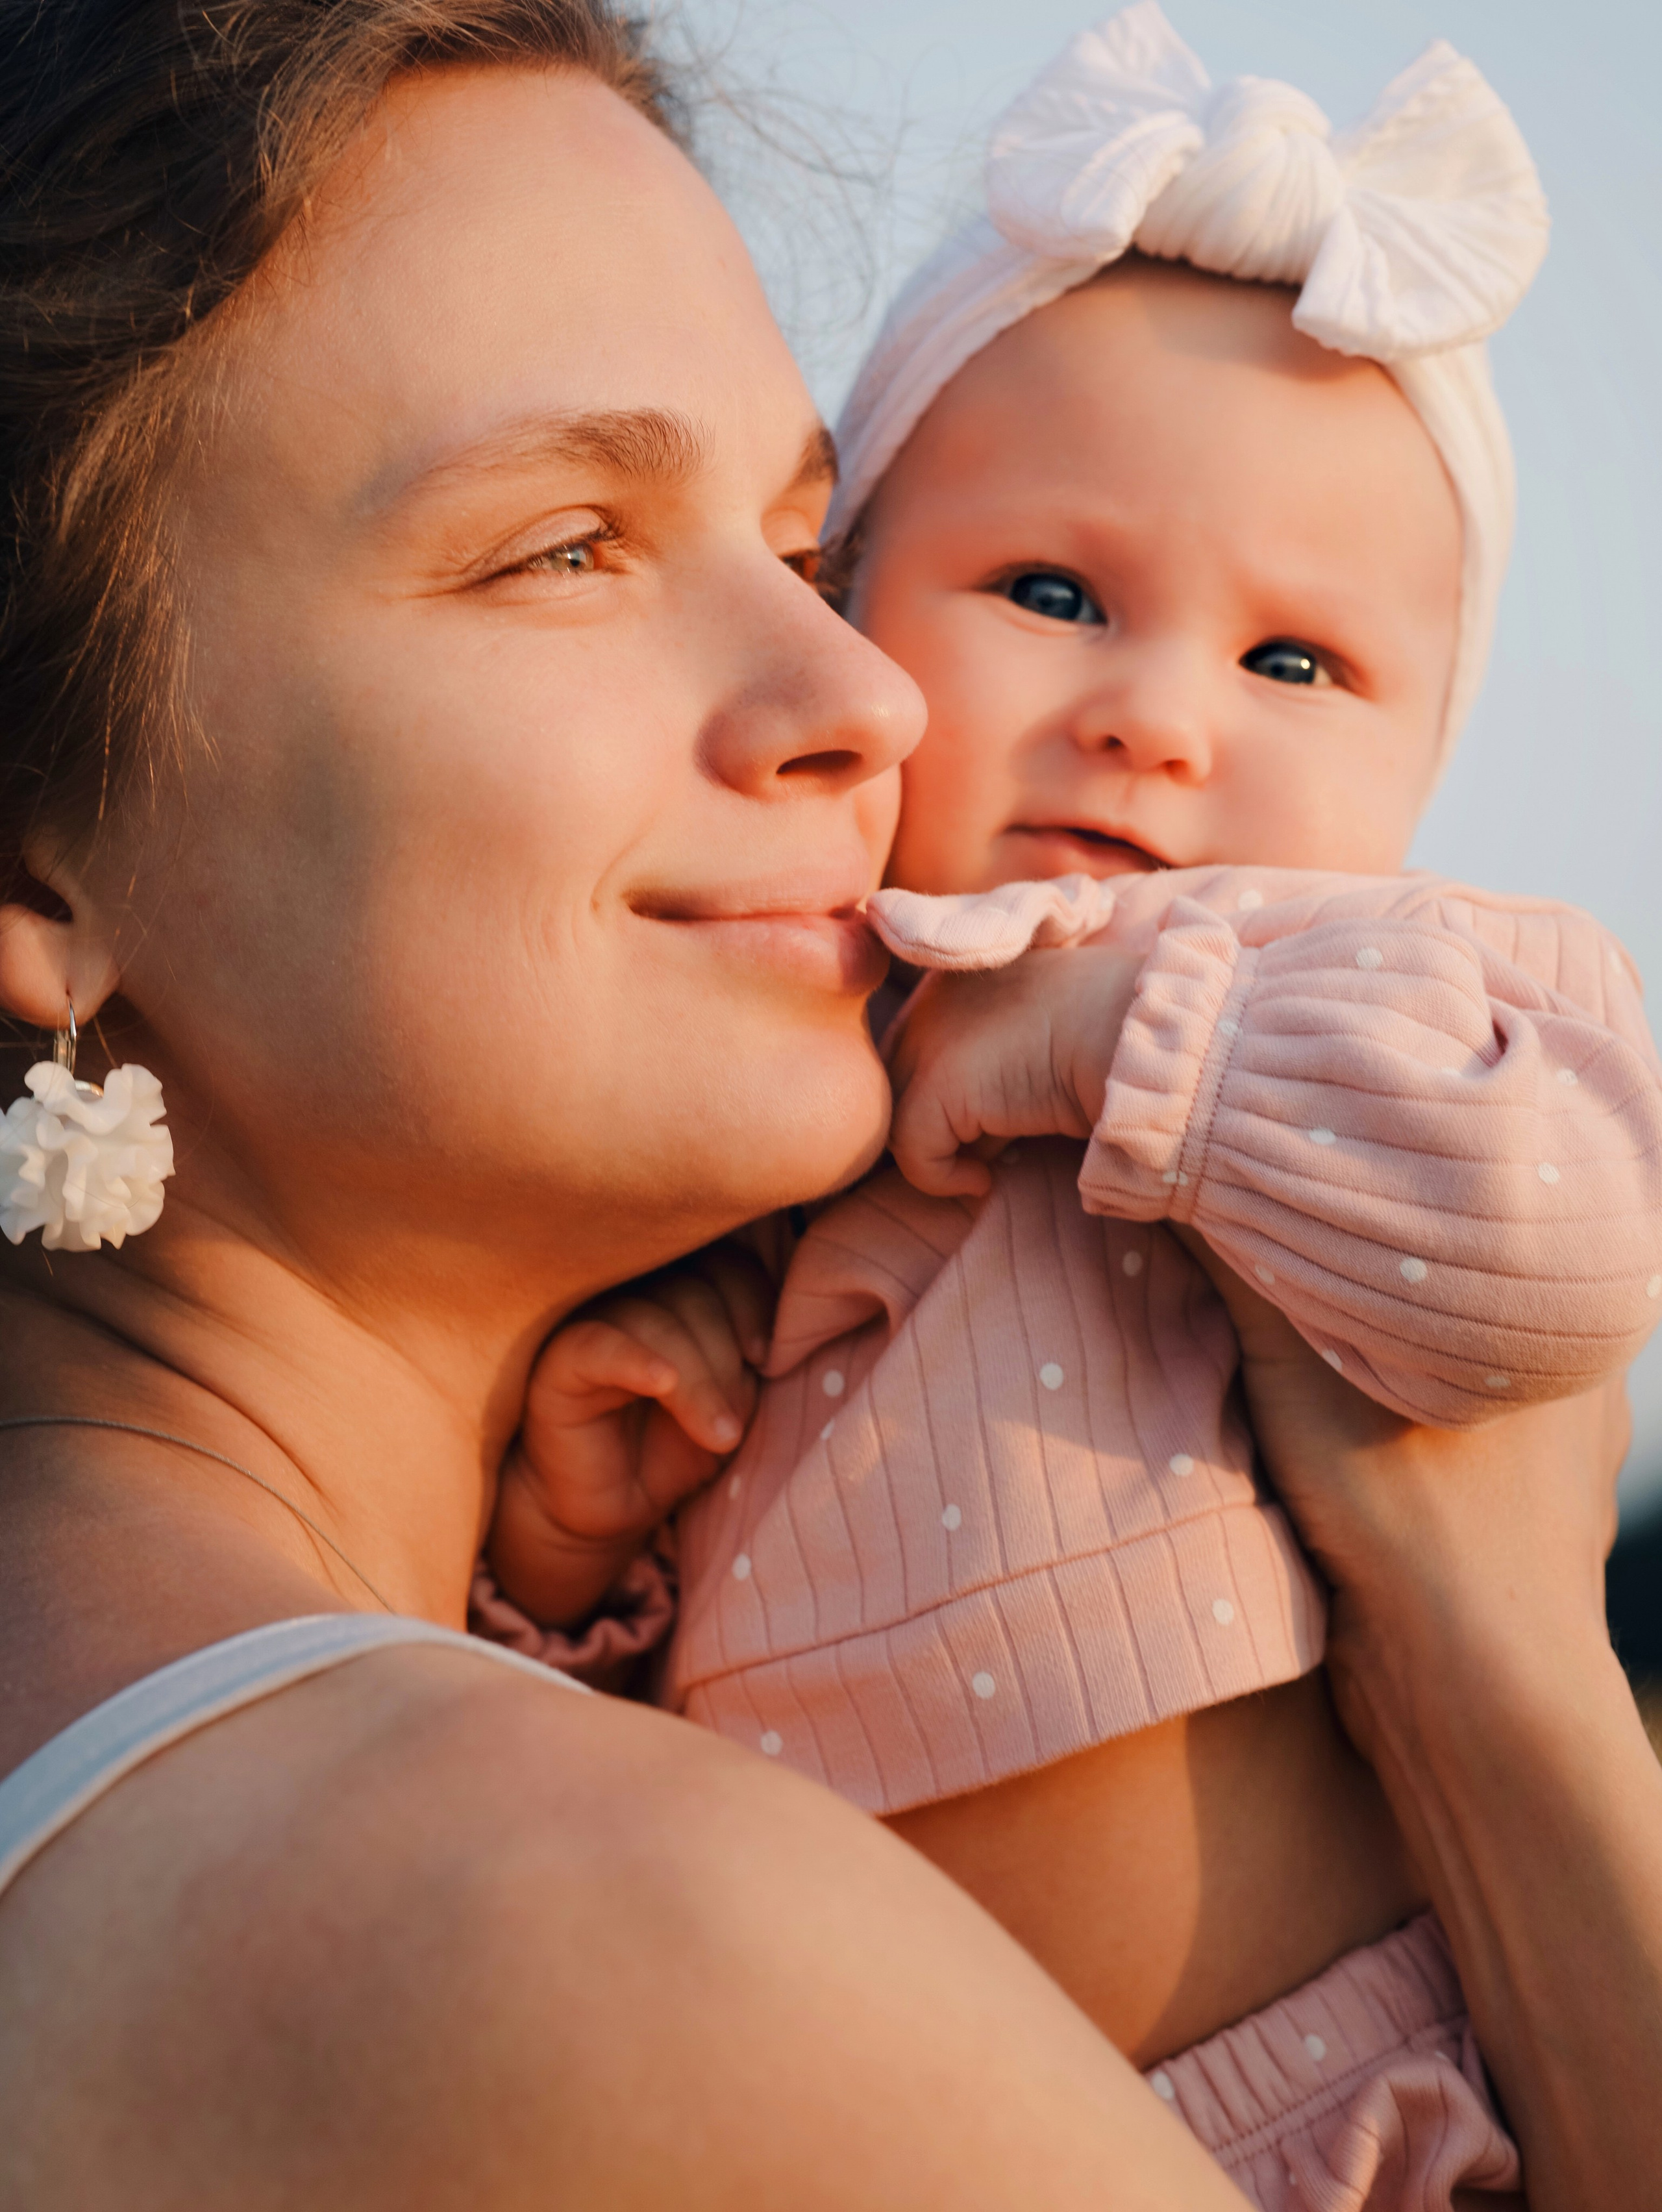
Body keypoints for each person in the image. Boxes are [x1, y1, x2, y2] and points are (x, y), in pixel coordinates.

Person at [0, 3, 1256, 2204]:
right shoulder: (603, 1936)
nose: (863, 694)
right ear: (35, 861)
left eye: (799, 539)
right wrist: (1490, 1646)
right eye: (566, 545)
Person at [486, 10, 1662, 2206]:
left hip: (1348, 2118)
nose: (1154, 720)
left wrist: (1132, 1045)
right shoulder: (798, 1064)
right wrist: (573, 1553)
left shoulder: (1390, 992)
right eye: (1051, 596)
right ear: (843, 619)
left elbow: (1555, 1265)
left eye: (1291, 665)